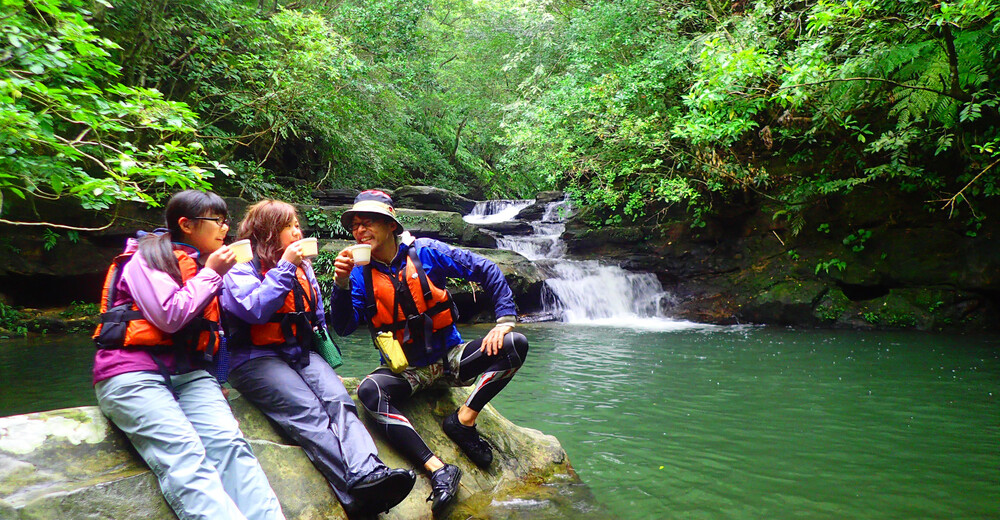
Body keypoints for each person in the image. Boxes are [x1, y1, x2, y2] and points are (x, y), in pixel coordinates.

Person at [329, 190, 530, 513]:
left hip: (450, 359)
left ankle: (463, 421)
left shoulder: (426, 251)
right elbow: (343, 327)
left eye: (368, 223)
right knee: (369, 392)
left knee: (515, 345)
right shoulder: (358, 273)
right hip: (405, 370)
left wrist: (504, 321)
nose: (359, 231)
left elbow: (486, 269)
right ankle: (439, 469)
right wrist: (340, 285)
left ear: (390, 224)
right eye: (355, 225)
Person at [92, 190, 285, 520]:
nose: (225, 228)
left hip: (192, 374)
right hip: (132, 372)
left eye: (226, 221)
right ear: (186, 224)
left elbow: (216, 333)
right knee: (186, 455)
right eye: (217, 221)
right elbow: (170, 316)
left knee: (230, 445)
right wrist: (212, 273)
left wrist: (219, 378)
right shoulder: (147, 258)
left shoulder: (200, 264)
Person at [219, 200, 415, 517]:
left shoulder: (304, 266)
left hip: (300, 351)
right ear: (268, 232)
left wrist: (329, 365)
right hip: (255, 356)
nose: (298, 232)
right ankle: (358, 491)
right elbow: (255, 310)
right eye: (289, 227)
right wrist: (285, 265)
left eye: (297, 226)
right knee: (309, 412)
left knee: (339, 401)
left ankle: (369, 472)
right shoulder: (240, 265)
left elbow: (317, 320)